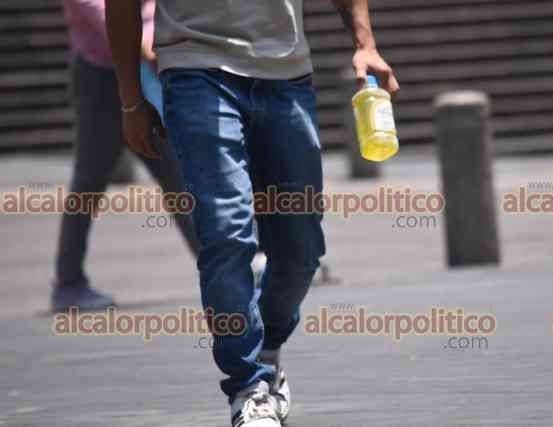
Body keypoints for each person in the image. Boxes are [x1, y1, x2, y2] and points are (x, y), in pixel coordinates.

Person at [105, 0, 399, 425]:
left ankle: (266, 349)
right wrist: (131, 100)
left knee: (301, 251)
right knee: (227, 233)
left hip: (286, 75)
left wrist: (365, 43)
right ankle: (248, 386)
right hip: (195, 69)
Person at [52, 0, 200, 312]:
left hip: (144, 70)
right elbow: (99, 9)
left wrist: (156, 37)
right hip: (101, 76)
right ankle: (68, 284)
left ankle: (220, 266)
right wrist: (143, 40)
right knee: (89, 181)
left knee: (175, 172)